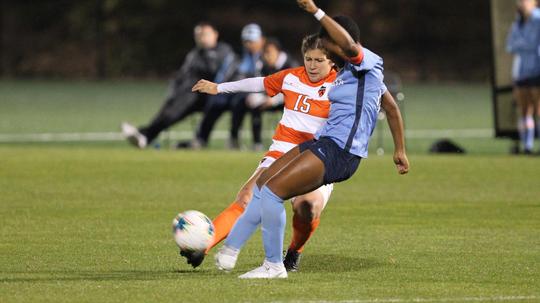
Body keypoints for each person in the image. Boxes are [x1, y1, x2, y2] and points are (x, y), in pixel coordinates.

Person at [214, 0, 409, 279]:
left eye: (329, 42)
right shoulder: (344, 74)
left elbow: (351, 48)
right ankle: (231, 250)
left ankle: (273, 266)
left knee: (272, 193)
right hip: (323, 144)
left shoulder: (366, 62)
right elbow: (390, 107)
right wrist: (399, 150)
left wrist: (316, 12)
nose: (326, 47)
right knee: (262, 184)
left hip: (341, 153)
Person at [184, 34, 337, 270]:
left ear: (332, 61)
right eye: (309, 59)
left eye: (319, 60)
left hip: (317, 157)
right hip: (282, 151)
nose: (313, 65)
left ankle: (294, 251)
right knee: (247, 196)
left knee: (307, 208)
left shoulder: (342, 87)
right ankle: (203, 245)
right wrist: (219, 88)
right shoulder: (291, 77)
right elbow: (258, 83)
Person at [121, 22, 236, 148]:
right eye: (198, 35)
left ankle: (147, 136)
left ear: (215, 34)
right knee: (172, 108)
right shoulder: (194, 54)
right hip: (193, 94)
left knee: (183, 105)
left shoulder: (224, 51)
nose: (201, 38)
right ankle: (145, 136)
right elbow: (182, 75)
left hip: (216, 95)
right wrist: (174, 89)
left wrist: (206, 55)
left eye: (205, 34)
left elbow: (220, 73)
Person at [506, 0, 540, 154]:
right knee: (524, 111)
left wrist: (524, 45)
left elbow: (535, 45)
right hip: (521, 71)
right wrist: (526, 45)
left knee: (538, 110)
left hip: (536, 70)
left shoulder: (538, 21)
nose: (522, 3)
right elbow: (511, 45)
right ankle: (527, 146)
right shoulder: (517, 24)